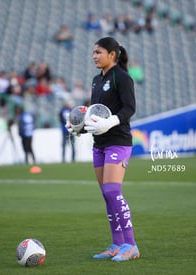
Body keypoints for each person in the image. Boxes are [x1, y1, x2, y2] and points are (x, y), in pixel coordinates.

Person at [67, 37, 139, 261]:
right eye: (94, 52)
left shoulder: (122, 78)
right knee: (106, 195)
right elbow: (95, 114)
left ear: (112, 54)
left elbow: (130, 108)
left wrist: (113, 121)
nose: (94, 56)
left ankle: (131, 245)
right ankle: (117, 244)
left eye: (98, 52)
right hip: (99, 144)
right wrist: (79, 127)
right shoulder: (96, 80)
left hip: (119, 141)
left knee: (112, 191)